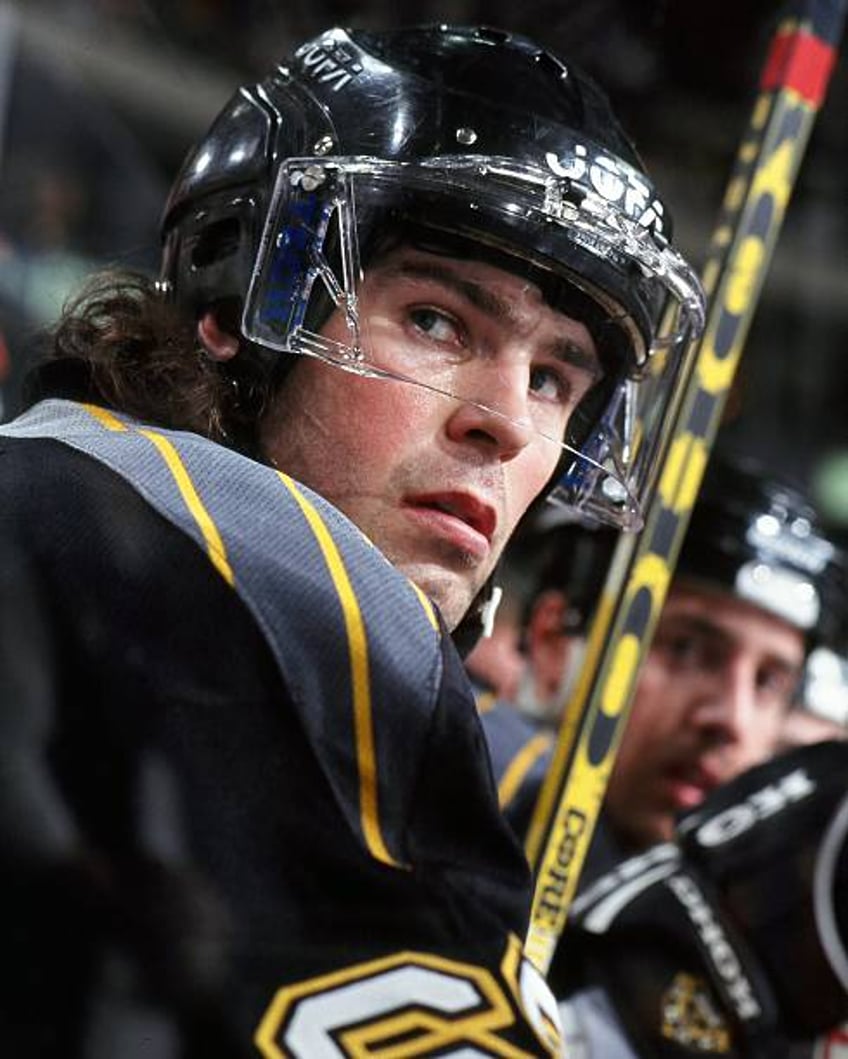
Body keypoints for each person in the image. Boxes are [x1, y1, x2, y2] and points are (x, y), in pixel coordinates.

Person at [0, 22, 704, 1059]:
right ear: (231, 296)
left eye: (554, 379)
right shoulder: (126, 564)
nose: (507, 424)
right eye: (434, 320)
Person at [475, 453, 848, 1056]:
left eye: (769, 681)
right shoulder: (433, 802)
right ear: (552, 642)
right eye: (688, 649)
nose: (731, 718)